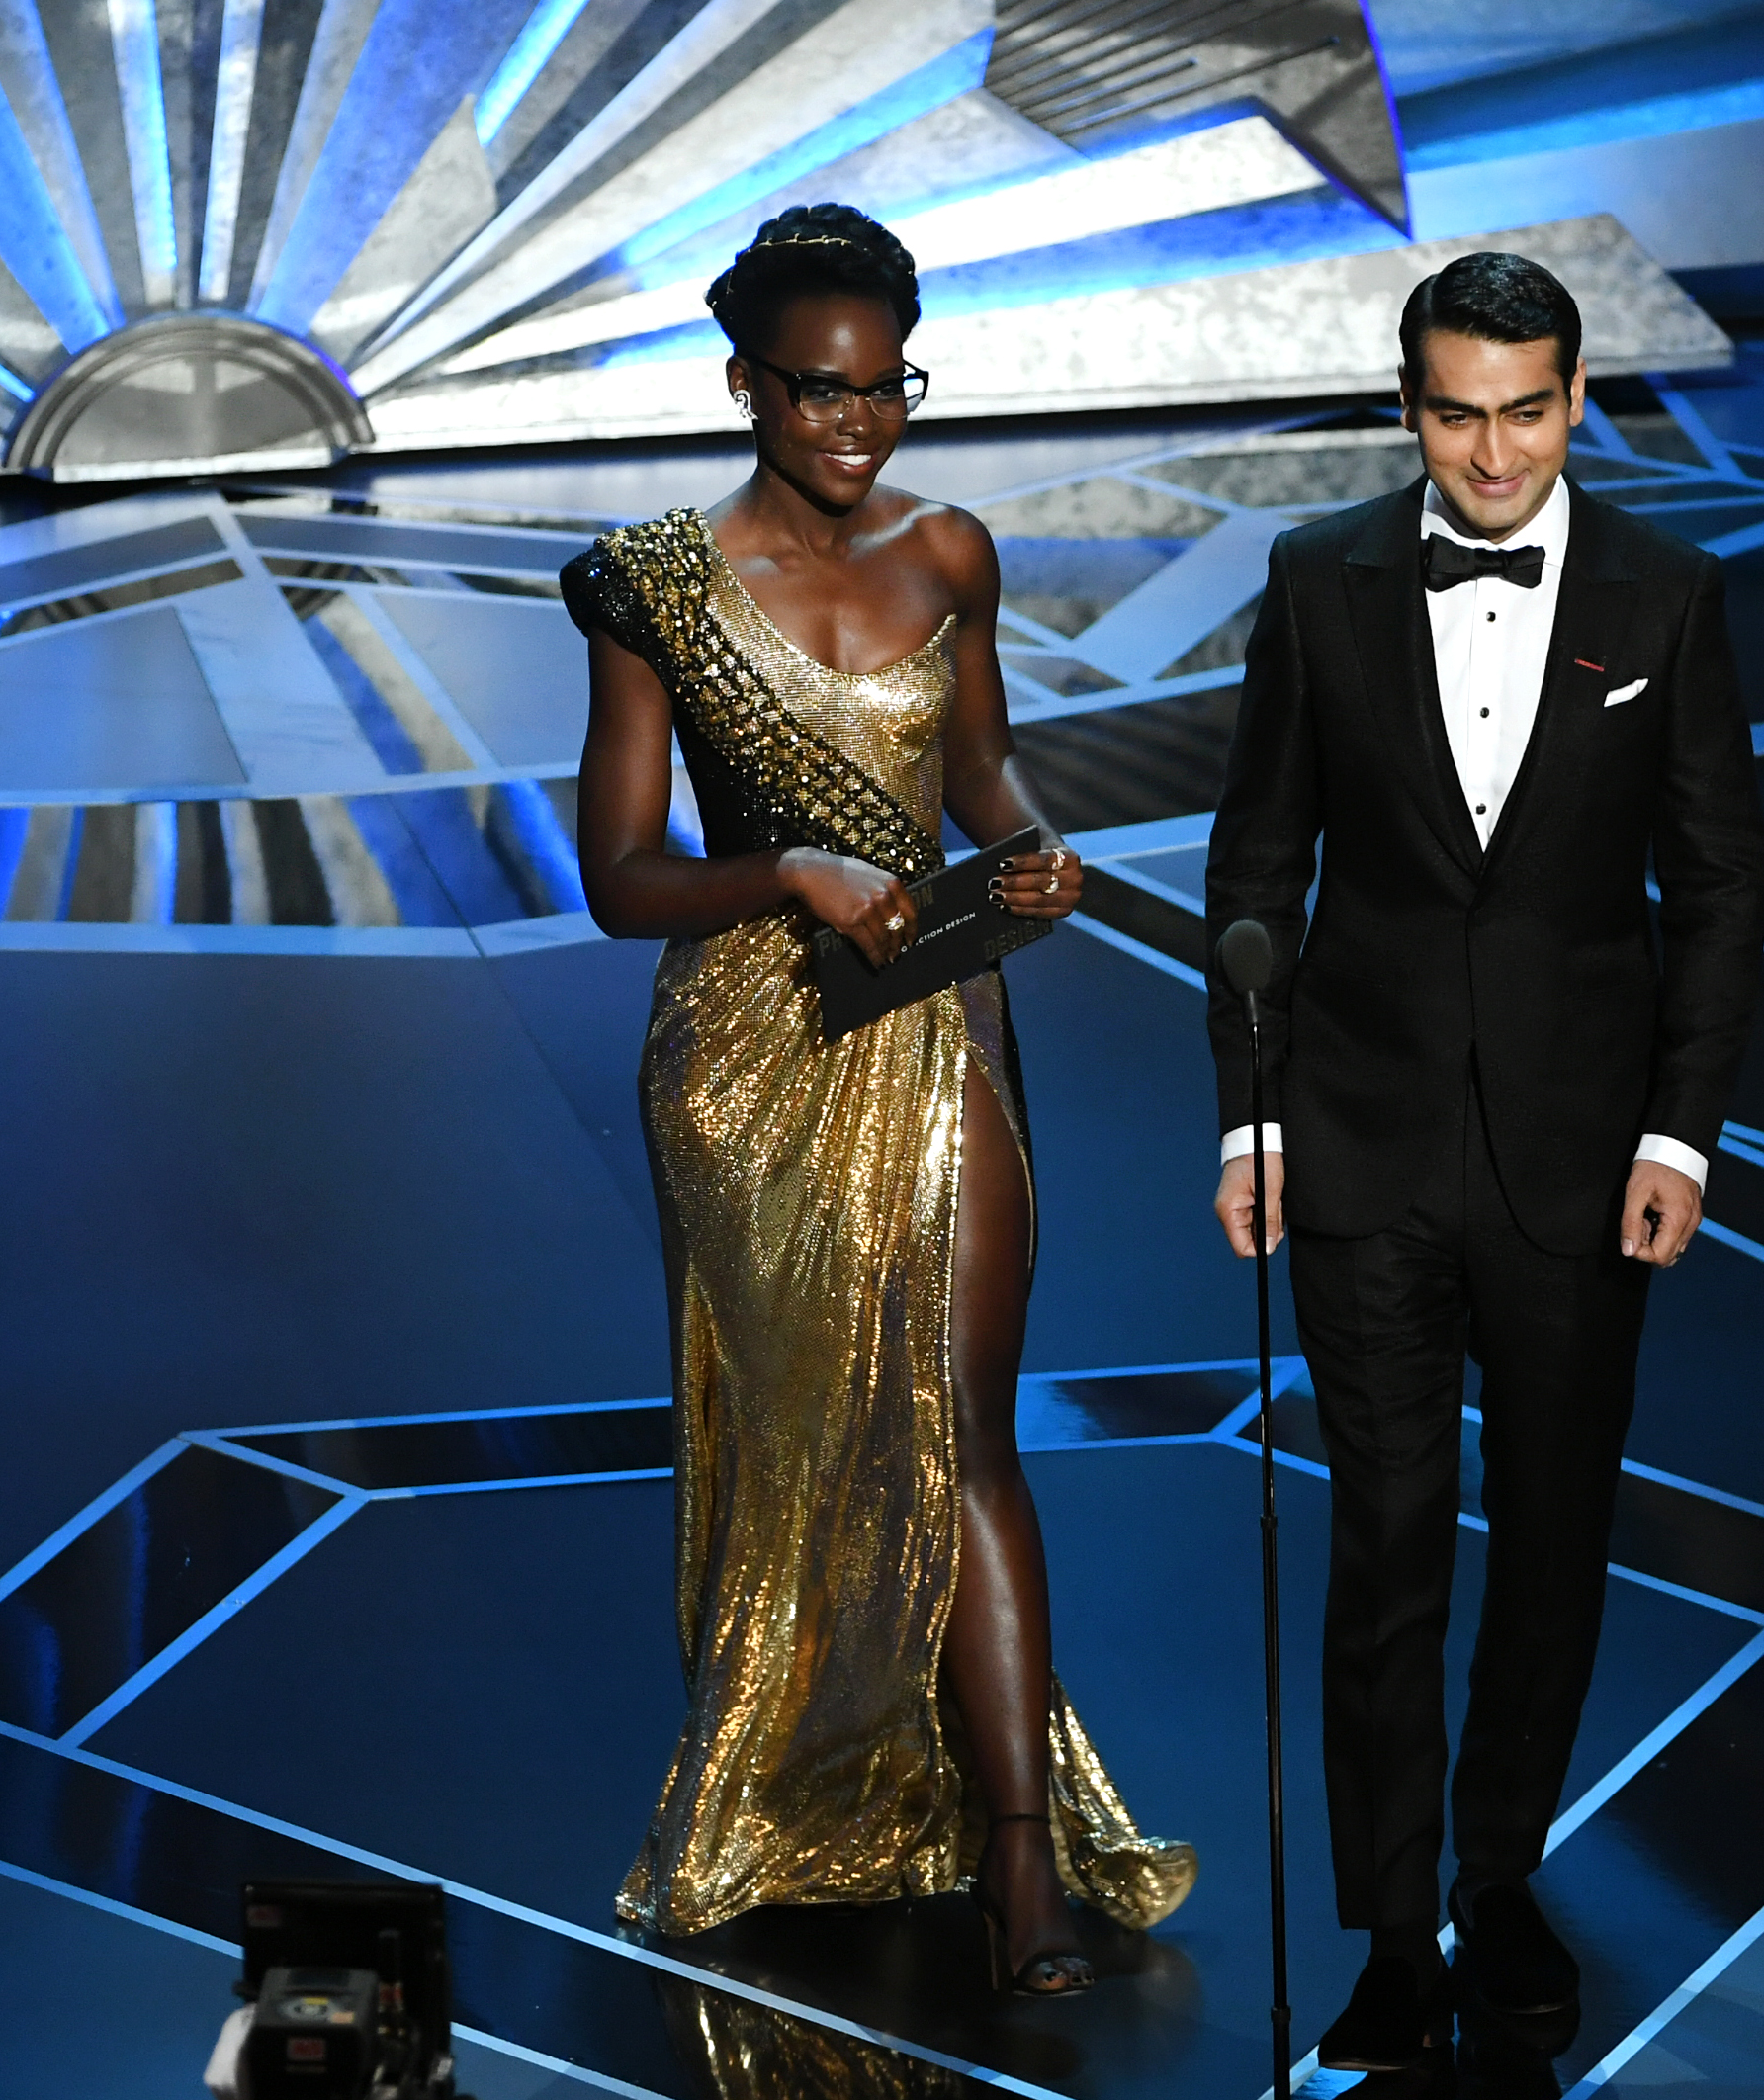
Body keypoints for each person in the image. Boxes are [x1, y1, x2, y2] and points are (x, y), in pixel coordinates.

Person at [561, 203, 1194, 1997]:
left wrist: (1025, 848)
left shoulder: (950, 552)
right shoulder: (649, 583)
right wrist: (789, 880)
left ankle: (1019, 1861)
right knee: (798, 1436)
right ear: (747, 384)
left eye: (884, 389)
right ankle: (793, 1787)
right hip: (750, 1051)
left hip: (933, 1022)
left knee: (967, 1423)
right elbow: (617, 877)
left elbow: (980, 764)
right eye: (818, 393)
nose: (855, 425)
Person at [1201, 251, 1764, 2069]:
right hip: (1355, 1151)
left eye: (1527, 410)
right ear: (1409, 409)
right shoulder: (1317, 580)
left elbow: (1721, 886)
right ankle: (1387, 1927)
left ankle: (1500, 1873)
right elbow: (1253, 868)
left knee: (1550, 1538)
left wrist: (1680, 1128)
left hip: (1583, 1159)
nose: (1494, 451)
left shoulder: (1667, 597)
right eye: (1458, 413)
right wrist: (1255, 1109)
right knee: (1380, 1546)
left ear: (1577, 401)